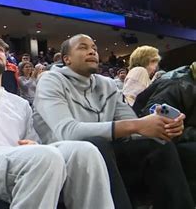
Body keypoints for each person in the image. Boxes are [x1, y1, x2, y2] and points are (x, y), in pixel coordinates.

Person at [0, 35, 114, 209]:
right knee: (46, 157)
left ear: (8, 63)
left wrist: (34, 144)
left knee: (85, 151)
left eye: (0, 50)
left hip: (16, 159)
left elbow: (32, 142)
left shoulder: (21, 103)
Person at [33, 34, 194, 209]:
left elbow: (133, 125)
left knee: (158, 145)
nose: (92, 51)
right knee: (96, 144)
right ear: (67, 59)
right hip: (64, 158)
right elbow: (67, 131)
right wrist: (138, 125)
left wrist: (161, 126)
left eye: (94, 48)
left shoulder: (107, 84)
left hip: (107, 154)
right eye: (83, 47)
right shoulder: (50, 80)